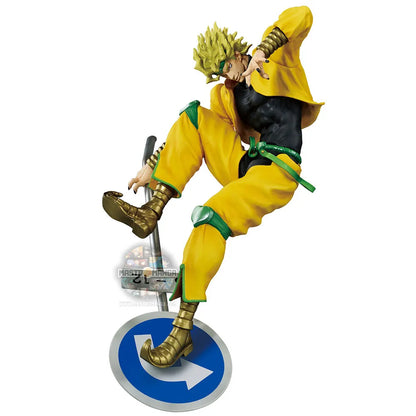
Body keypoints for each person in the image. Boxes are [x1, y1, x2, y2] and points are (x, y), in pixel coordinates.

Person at [103, 5, 323, 368]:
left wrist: (263, 50)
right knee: (194, 115)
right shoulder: (226, 94)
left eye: (226, 66)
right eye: (218, 73)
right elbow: (200, 135)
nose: (226, 76)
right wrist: (152, 166)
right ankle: (151, 210)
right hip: (243, 165)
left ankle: (181, 331)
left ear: (236, 53)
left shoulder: (275, 61)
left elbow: (302, 14)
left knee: (209, 216)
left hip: (277, 169)